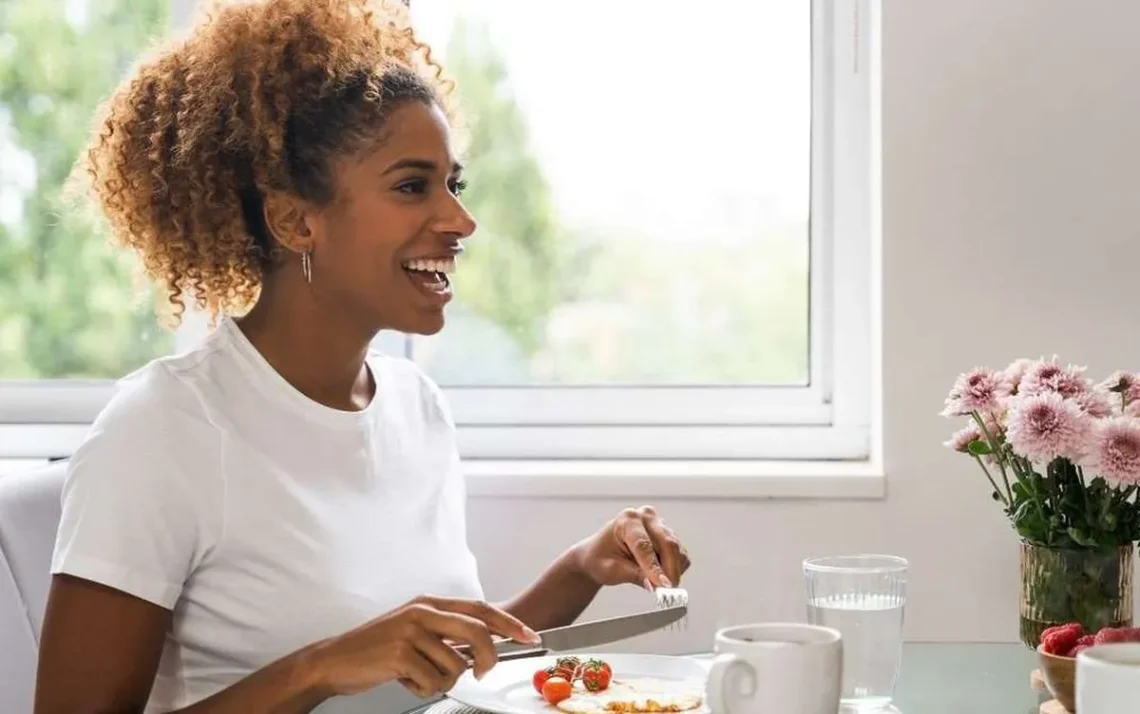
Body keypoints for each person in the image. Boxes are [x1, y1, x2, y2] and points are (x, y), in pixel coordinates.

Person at [33, 1, 691, 713]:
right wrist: (319, 668)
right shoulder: (161, 432)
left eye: (453, 184)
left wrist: (582, 568)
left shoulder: (416, 408)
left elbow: (435, 665)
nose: (461, 221)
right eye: (413, 186)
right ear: (295, 220)